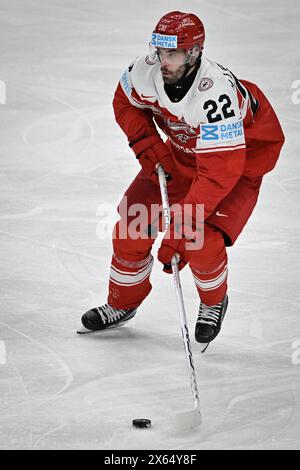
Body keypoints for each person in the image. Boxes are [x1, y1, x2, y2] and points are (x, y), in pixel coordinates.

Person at [80, 11, 284, 345]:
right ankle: (122, 303)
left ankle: (214, 301)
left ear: (194, 52)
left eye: (171, 54)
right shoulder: (148, 67)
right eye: (160, 51)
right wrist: (149, 147)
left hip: (239, 164)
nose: (162, 60)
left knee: (199, 239)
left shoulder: (215, 94)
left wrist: (179, 228)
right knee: (132, 222)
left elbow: (220, 172)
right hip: (181, 156)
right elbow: (125, 102)